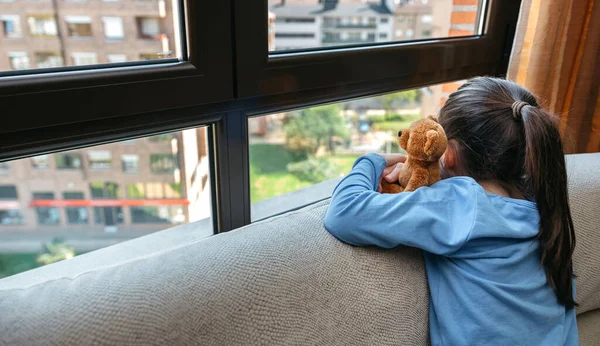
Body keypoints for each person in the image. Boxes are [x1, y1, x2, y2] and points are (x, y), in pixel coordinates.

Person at [324, 77, 579, 345]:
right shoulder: (549, 211)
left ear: (449, 153)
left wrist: (374, 161)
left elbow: (343, 212)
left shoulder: (459, 204)